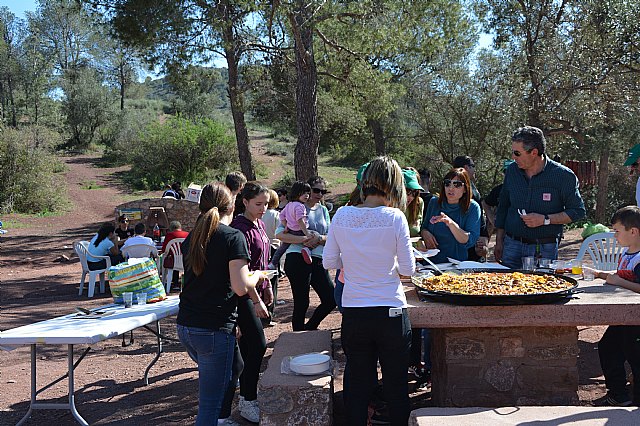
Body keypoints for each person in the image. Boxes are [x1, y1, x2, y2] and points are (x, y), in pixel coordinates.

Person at [323, 156, 415, 425]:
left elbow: (329, 261)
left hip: (355, 312)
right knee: (396, 387)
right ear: (395, 185)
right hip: (391, 311)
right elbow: (408, 269)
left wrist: (352, 261)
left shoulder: (342, 214)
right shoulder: (395, 217)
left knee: (359, 387)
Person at [176, 182, 266, 425]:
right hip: (212, 329)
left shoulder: (194, 236)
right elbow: (240, 286)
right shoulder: (233, 237)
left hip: (186, 326)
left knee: (232, 369)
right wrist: (257, 276)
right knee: (210, 406)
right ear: (233, 204)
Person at [494, 126, 586, 269]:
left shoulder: (563, 176)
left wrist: (545, 220)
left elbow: (577, 211)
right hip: (512, 246)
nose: (513, 157)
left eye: (517, 153)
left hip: (544, 249)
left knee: (543, 288)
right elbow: (503, 206)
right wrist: (499, 241)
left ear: (534, 152)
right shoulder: (512, 171)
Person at [226, 183, 272, 423]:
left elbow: (262, 262)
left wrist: (268, 288)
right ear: (244, 201)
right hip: (243, 295)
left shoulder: (260, 223)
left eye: (266, 204)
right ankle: (247, 399)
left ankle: (246, 397)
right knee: (258, 345)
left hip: (257, 290)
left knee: (248, 348)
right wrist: (256, 300)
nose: (263, 208)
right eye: (258, 204)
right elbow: (243, 272)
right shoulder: (239, 229)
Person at [585, 206, 640, 406]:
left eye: (617, 231)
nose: (613, 235)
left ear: (633, 231)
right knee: (608, 347)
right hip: (622, 316)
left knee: (636, 357)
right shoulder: (627, 253)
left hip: (635, 319)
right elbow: (617, 275)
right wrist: (597, 273)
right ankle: (618, 394)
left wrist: (619, 282)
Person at [276, 176, 336, 331]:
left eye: (323, 191)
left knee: (331, 298)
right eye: (316, 190)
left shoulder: (323, 210)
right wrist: (304, 238)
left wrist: (319, 238)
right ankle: (298, 337)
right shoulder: (293, 207)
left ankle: (309, 328)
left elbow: (331, 236)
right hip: (296, 257)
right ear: (307, 190)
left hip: (317, 259)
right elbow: (280, 235)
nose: (319, 194)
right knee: (302, 301)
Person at [421, 168, 481, 264]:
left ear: (465, 188)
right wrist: (425, 234)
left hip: (455, 264)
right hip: (430, 263)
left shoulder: (473, 207)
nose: (451, 188)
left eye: (457, 185)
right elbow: (424, 227)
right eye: (447, 183)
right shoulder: (434, 202)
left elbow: (469, 240)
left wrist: (450, 223)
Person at [269, 181, 314, 268]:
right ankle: (307, 249)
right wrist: (307, 233)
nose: (306, 195)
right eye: (303, 193)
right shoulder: (300, 206)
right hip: (300, 231)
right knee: (314, 236)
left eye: (308, 193)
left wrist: (286, 226)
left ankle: (273, 263)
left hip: (290, 231)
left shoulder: (289, 205)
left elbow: (281, 216)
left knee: (282, 248)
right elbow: (300, 220)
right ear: (297, 193)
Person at [452, 155, 489, 261]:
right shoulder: (467, 190)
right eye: (473, 166)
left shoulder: (471, 186)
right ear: (466, 167)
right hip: (468, 240)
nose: (474, 169)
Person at [482, 160, 515, 240]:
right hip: (502, 232)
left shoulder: (524, 189)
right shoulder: (498, 190)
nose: (509, 174)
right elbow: (485, 203)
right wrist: (491, 218)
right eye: (506, 172)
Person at [161, 220, 189, 290]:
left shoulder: (169, 236)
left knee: (173, 258)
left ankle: (174, 283)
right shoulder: (187, 234)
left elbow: (164, 250)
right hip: (186, 260)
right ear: (180, 227)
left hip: (173, 262)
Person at [403, 168, 424, 238]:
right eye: (408, 191)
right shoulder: (388, 205)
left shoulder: (419, 203)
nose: (411, 197)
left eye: (415, 192)